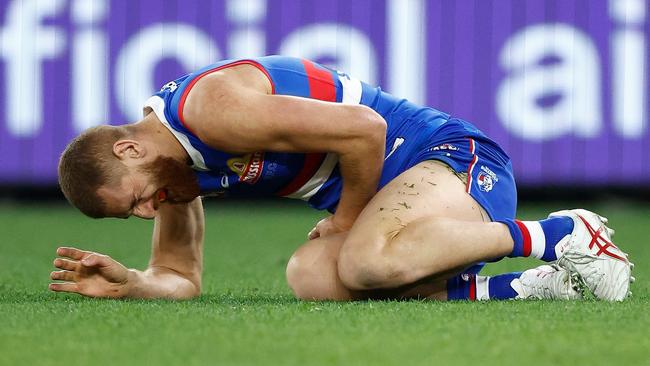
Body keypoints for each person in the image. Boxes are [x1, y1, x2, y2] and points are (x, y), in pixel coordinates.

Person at [53, 56, 633, 302]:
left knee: (361, 262)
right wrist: (135, 282)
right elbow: (179, 275)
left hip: (454, 160)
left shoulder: (209, 112)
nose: (148, 213)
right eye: (135, 216)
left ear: (129, 149)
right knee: (311, 277)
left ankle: (565, 233)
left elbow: (365, 130)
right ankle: (523, 289)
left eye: (135, 201)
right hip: (408, 204)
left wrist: (346, 220)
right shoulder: (176, 171)